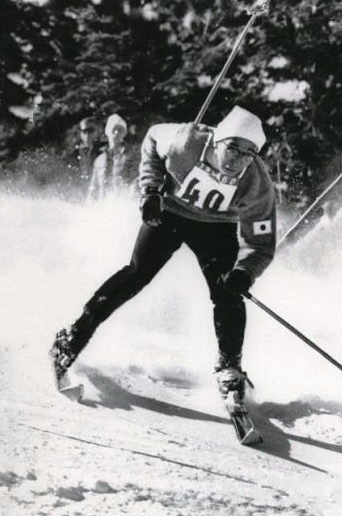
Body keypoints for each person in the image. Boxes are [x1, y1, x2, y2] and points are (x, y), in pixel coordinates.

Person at [50, 106, 276, 398]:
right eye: (232, 148)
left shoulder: (257, 182)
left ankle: (229, 367)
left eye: (249, 153)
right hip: (170, 213)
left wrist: (245, 271)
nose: (237, 160)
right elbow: (153, 138)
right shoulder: (188, 142)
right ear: (218, 140)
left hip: (217, 227)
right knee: (136, 273)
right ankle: (73, 336)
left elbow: (260, 243)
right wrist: (151, 190)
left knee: (228, 294)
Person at [86, 113, 138, 202]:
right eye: (114, 129)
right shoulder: (99, 159)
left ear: (124, 134)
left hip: (122, 204)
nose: (116, 133)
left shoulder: (129, 156)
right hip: (102, 205)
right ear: (108, 131)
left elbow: (135, 181)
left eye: (120, 130)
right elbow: (93, 188)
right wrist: (88, 204)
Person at [70, 116, 104, 188]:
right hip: (80, 188)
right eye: (84, 131)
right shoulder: (74, 154)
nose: (87, 134)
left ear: (97, 132)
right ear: (81, 133)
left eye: (91, 131)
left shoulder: (103, 151)